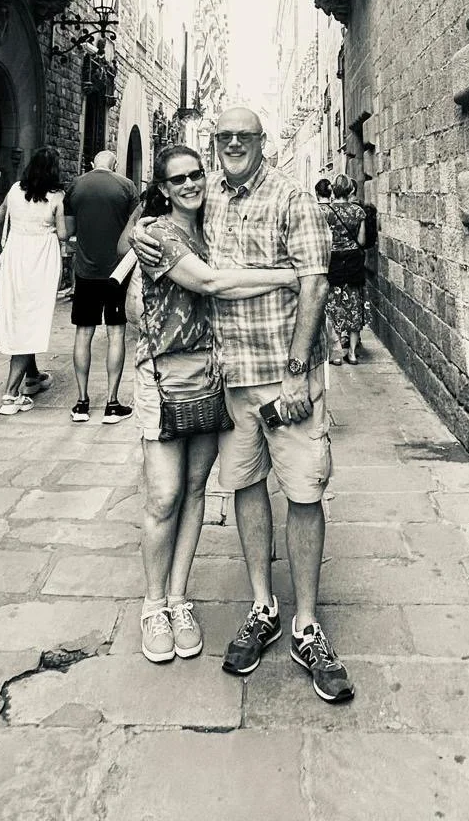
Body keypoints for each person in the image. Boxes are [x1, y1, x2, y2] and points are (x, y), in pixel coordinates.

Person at [132, 106, 355, 706]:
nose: (232, 145)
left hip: (284, 379)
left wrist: (299, 370)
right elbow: (194, 265)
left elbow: (316, 281)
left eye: (243, 136)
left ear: (264, 140)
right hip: (224, 383)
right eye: (223, 138)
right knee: (241, 490)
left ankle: (307, 626)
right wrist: (142, 223)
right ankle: (260, 606)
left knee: (305, 492)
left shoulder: (290, 198)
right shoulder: (202, 208)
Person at [119, 142, 301, 666]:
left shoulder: (212, 224)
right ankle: (153, 605)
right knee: (164, 494)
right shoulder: (157, 233)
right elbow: (211, 282)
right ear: (163, 188)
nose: (191, 184)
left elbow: (224, 285)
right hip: (164, 377)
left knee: (197, 489)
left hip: (211, 374)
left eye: (196, 174)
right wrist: (287, 275)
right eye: (177, 180)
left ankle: (178, 598)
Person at [64, 150, 139, 424]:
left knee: (83, 334)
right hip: (117, 272)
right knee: (116, 334)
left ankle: (81, 403)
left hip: (85, 272)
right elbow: (134, 229)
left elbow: (69, 229)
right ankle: (111, 403)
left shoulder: (76, 185)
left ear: (92, 164)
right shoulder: (126, 186)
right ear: (115, 164)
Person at [0, 146, 66, 416]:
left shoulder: (14, 189)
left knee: (20, 314)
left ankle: (33, 376)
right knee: (31, 319)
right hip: (41, 258)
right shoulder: (57, 196)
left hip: (16, 256)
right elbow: (62, 234)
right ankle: (11, 395)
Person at [323, 173, 367, 365]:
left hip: (333, 262)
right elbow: (362, 241)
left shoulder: (326, 212)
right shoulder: (358, 212)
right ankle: (352, 353)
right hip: (353, 263)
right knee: (354, 306)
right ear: (350, 190)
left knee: (333, 305)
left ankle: (337, 352)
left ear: (333, 190)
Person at [315, 179, 343, 366]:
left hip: (319, 263)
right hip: (339, 261)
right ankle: (337, 347)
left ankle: (331, 347)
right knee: (339, 300)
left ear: (317, 193)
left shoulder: (314, 211)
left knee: (321, 305)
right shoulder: (336, 212)